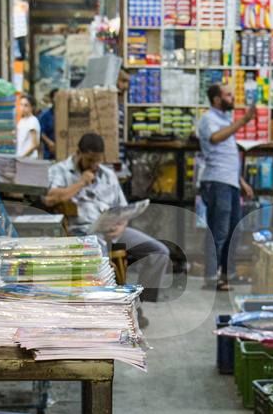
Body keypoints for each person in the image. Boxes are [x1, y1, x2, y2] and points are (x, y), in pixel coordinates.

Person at [44, 132, 169, 307]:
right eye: (89, 160)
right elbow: (50, 199)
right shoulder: (60, 170)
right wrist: (80, 183)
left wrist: (121, 226)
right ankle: (104, 309)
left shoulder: (108, 175)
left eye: (98, 161)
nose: (94, 165)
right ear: (78, 153)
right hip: (83, 231)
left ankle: (137, 305)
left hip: (111, 230)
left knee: (159, 252)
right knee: (101, 262)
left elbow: (122, 208)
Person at [197, 83, 255, 291]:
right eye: (228, 95)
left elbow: (227, 156)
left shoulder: (225, 120)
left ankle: (227, 275)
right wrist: (243, 121)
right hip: (216, 181)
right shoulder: (208, 119)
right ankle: (211, 277)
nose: (232, 98)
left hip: (230, 182)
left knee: (234, 230)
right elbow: (215, 138)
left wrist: (241, 181)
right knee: (218, 230)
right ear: (216, 99)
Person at [16, 93, 40, 159]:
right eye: (21, 105)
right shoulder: (22, 120)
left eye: (26, 105)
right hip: (21, 157)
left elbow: (35, 144)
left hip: (29, 159)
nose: (22, 108)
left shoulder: (33, 121)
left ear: (32, 107)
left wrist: (22, 157)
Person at [38, 89, 57, 160]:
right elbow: (41, 132)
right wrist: (49, 142)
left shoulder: (65, 115)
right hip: (49, 153)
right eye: (56, 97)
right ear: (51, 99)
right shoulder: (45, 115)